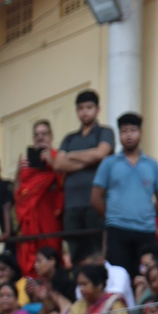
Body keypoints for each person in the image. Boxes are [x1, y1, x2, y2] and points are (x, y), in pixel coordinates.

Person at [92, 113, 158, 279]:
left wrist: (148, 214)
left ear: (140, 133)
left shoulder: (152, 164)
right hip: (117, 230)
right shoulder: (109, 163)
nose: (128, 135)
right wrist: (112, 217)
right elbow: (95, 197)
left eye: (133, 130)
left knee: (146, 277)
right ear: (119, 135)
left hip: (146, 230)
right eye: (124, 131)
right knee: (119, 278)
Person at [57, 92, 116, 269]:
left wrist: (72, 156)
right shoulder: (69, 138)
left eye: (89, 108)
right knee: (76, 254)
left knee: (97, 251)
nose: (85, 112)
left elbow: (101, 153)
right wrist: (89, 160)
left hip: (95, 203)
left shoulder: (105, 132)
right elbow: (59, 163)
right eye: (81, 109)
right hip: (72, 205)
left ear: (97, 110)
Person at [14, 119, 65, 265]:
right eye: (36, 135)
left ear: (51, 136)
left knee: (52, 255)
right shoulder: (27, 164)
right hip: (29, 220)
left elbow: (64, 184)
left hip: (50, 217)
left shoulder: (58, 156)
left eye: (44, 134)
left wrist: (53, 163)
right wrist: (18, 174)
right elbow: (18, 195)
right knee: (31, 259)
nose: (40, 138)